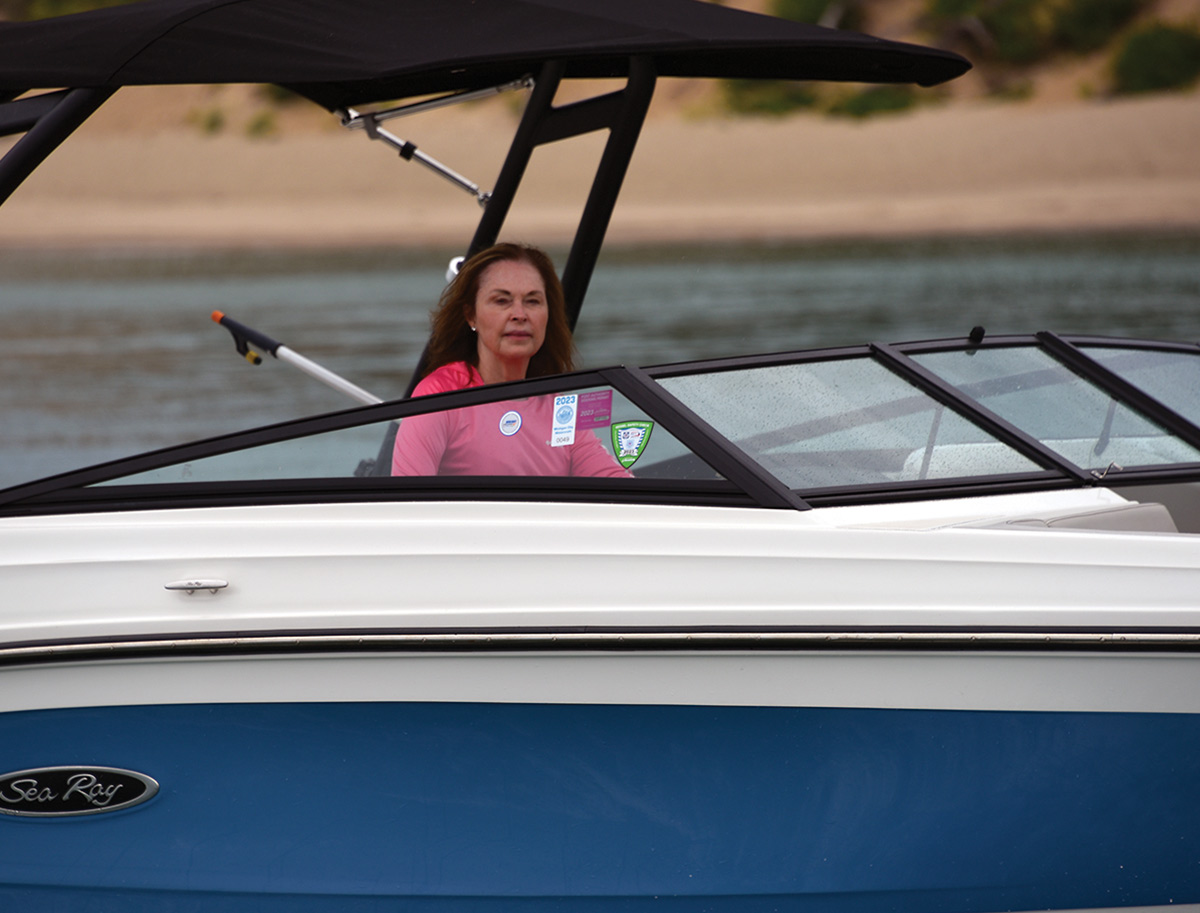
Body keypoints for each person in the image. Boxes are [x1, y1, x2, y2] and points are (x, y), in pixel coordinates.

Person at [392, 243, 630, 478]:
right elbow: (405, 504)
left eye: (532, 301)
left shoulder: (559, 403)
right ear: (471, 315)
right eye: (502, 301)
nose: (519, 314)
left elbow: (614, 483)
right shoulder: (440, 395)